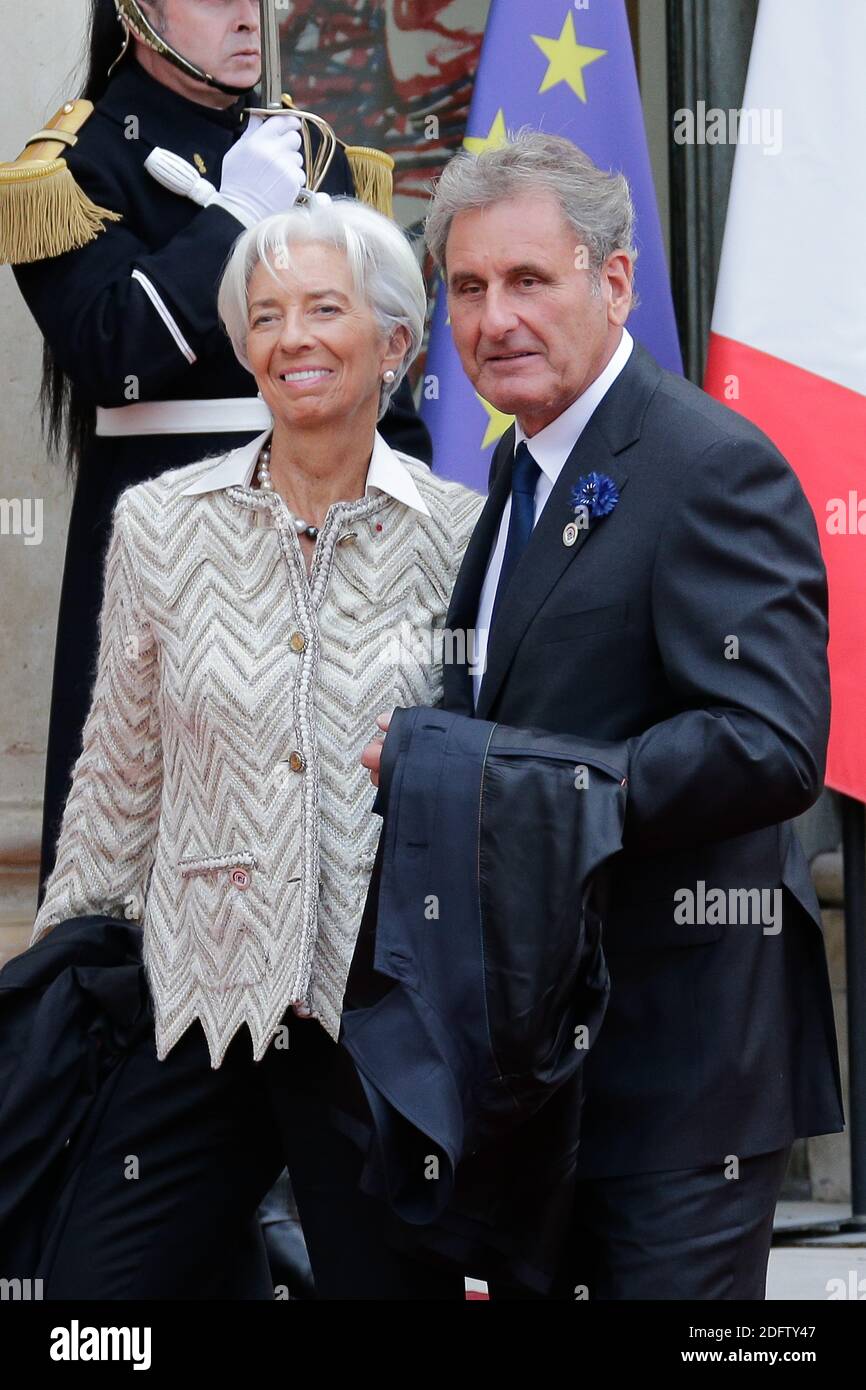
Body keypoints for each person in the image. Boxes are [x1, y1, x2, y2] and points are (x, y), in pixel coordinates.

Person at [363, 130, 845, 1300]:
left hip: (679, 1080)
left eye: (530, 279)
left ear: (613, 280)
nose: (494, 319)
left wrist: (499, 780)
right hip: (547, 1073)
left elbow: (771, 743)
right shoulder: (517, 476)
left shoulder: (706, 464)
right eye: (466, 288)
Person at [26, 196, 482, 1300]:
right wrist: (60, 977)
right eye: (266, 315)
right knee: (94, 1305)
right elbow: (119, 768)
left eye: (325, 309)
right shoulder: (162, 523)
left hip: (378, 1022)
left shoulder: (460, 536)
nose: (293, 339)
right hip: (197, 999)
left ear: (393, 343)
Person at [3, 0, 431, 901]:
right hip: (173, 549)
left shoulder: (315, 152)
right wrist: (234, 216)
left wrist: (408, 517)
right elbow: (109, 354)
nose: (248, 16)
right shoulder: (78, 164)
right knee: (158, 852)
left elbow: (380, 370)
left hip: (329, 541)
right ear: (139, 11)